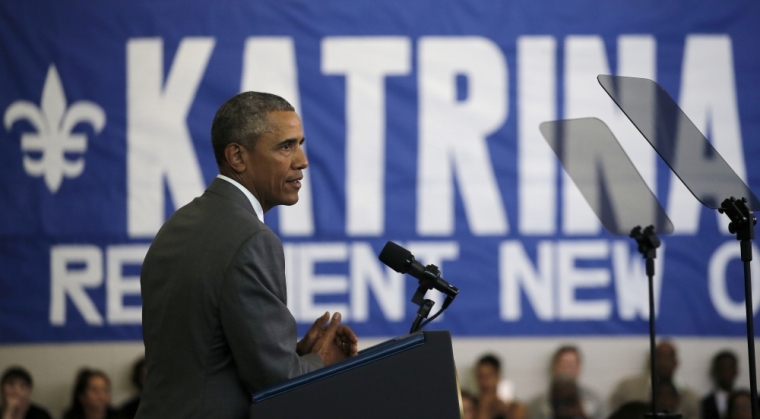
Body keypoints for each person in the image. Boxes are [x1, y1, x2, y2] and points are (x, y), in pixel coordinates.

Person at [136, 92, 358, 419]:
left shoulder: (178, 224)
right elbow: (278, 382)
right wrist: (321, 361)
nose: (302, 160)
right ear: (237, 157)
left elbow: (209, 359)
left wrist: (295, 355)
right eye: (286, 146)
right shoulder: (254, 239)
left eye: (300, 144)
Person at [609, 341, 699, 419]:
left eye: (669, 357)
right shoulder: (628, 388)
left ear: (676, 362)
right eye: (659, 356)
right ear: (651, 360)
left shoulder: (690, 398)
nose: (663, 362)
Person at [527, 346, 605, 419]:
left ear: (579, 368)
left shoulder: (594, 401)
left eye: (572, 365)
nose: (568, 369)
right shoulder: (539, 404)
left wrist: (582, 414)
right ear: (555, 366)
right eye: (564, 364)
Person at [476, 354, 526, 419]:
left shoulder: (515, 408)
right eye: (480, 377)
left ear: (498, 376)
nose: (484, 382)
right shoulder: (471, 406)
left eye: (488, 376)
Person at [701, 350, 738, 419]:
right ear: (715, 371)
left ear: (736, 371)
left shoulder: (751, 401)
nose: (725, 372)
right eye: (721, 368)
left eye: (729, 368)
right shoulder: (705, 404)